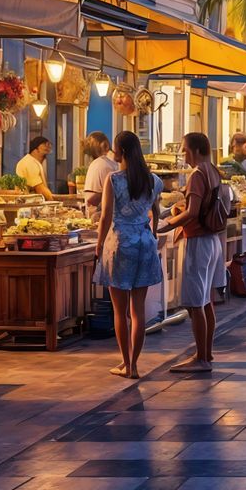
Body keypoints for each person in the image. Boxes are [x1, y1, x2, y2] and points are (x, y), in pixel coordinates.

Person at [96, 131, 163, 380]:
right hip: (145, 243)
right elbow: (155, 211)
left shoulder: (113, 180)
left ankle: (126, 363)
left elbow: (105, 216)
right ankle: (135, 363)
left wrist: (99, 243)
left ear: (119, 151)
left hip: (120, 243)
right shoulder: (152, 180)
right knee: (138, 311)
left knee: (119, 311)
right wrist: (153, 233)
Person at [161, 132, 230, 375]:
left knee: (195, 303)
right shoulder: (213, 170)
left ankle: (201, 358)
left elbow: (192, 212)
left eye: (185, 149)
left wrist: (167, 222)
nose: (183, 154)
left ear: (196, 150)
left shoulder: (198, 174)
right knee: (206, 300)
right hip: (212, 241)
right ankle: (205, 352)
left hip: (198, 241)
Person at [81, 130, 117, 221]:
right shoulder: (106, 165)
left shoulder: (96, 163)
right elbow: (110, 194)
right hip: (101, 216)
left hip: (94, 215)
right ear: (105, 145)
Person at [15, 134, 54, 198]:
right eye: (44, 144)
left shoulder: (37, 162)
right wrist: (54, 202)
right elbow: (40, 189)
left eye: (49, 145)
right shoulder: (29, 162)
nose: (48, 147)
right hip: (28, 203)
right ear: (35, 149)